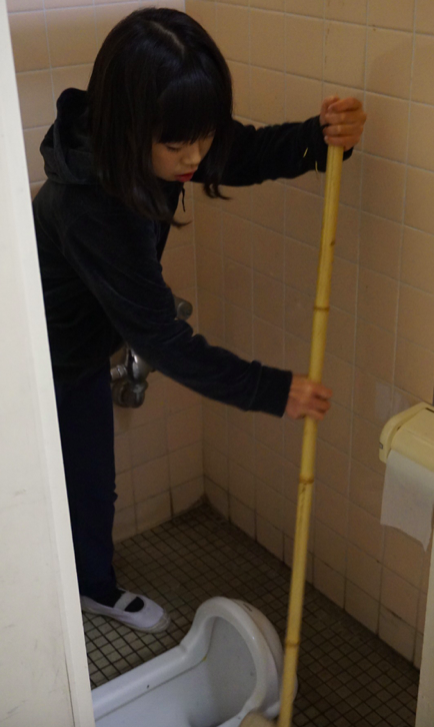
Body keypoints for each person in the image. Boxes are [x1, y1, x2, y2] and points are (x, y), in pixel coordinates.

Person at [33, 8, 366, 633]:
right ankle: (91, 588)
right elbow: (161, 338)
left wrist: (324, 137)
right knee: (82, 481)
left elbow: (247, 151)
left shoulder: (164, 137)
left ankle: (86, 579)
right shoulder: (94, 206)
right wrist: (272, 389)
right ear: (132, 128)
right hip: (49, 353)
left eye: (203, 137)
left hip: (88, 332)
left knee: (86, 479)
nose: (195, 158)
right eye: (178, 145)